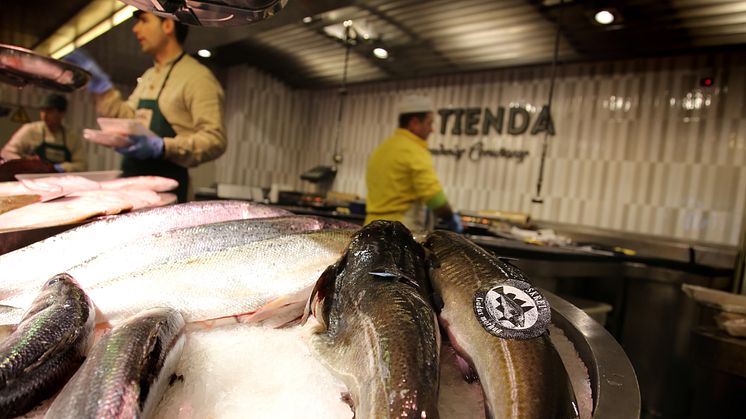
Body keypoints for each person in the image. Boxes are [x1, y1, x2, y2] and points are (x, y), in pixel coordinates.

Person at [64, 10, 226, 202]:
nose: (135, 29)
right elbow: (128, 119)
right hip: (134, 187)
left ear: (168, 25)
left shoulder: (197, 77)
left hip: (169, 197)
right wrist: (103, 89)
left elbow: (215, 140)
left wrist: (163, 147)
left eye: (143, 21)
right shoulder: (149, 75)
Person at [365, 94, 463, 233]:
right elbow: (434, 197)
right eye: (429, 123)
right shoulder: (414, 150)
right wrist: (450, 218)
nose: (432, 129)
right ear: (414, 123)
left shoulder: (382, 149)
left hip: (370, 228)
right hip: (397, 232)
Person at [1, 93, 87, 173]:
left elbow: (82, 165)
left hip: (60, 182)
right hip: (32, 181)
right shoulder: (30, 130)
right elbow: (6, 153)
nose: (44, 115)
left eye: (49, 111)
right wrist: (24, 164)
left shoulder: (72, 137)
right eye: (42, 110)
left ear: (62, 113)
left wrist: (58, 168)